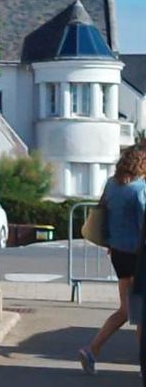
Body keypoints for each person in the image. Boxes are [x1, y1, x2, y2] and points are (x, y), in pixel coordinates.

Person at [79, 147, 146, 374]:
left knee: (127, 310)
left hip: (117, 254)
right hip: (138, 256)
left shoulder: (110, 185)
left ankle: (92, 349)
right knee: (139, 312)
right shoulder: (140, 189)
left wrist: (109, 242)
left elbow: (103, 217)